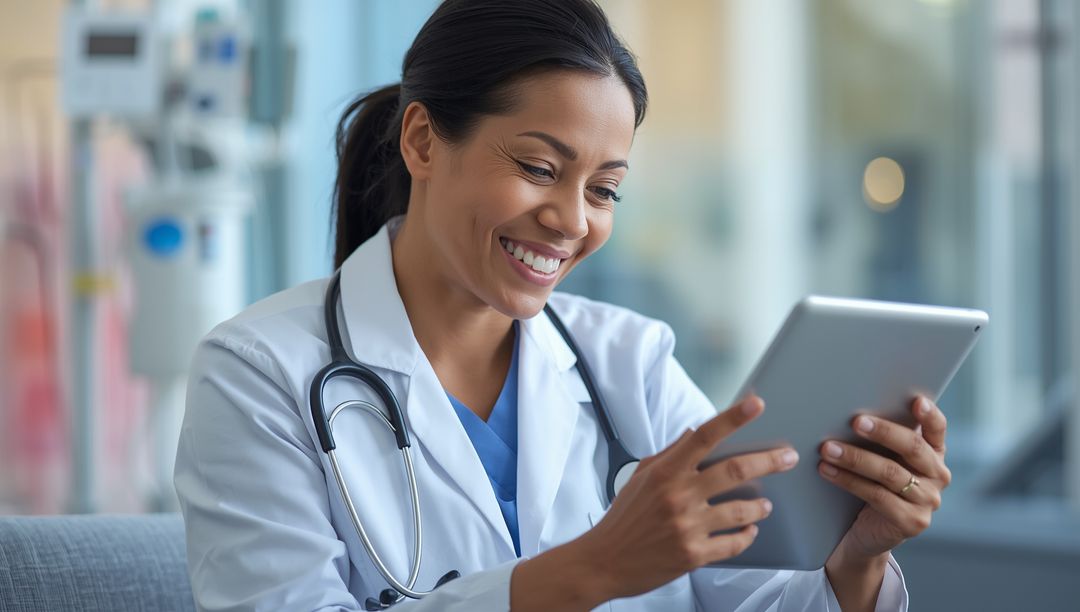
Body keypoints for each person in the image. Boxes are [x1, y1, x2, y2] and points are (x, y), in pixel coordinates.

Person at [175, 1, 952, 610]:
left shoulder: (632, 365)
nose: (573, 220)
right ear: (421, 141)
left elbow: (755, 597)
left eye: (605, 189)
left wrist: (857, 557)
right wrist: (596, 568)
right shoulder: (259, 374)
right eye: (540, 167)